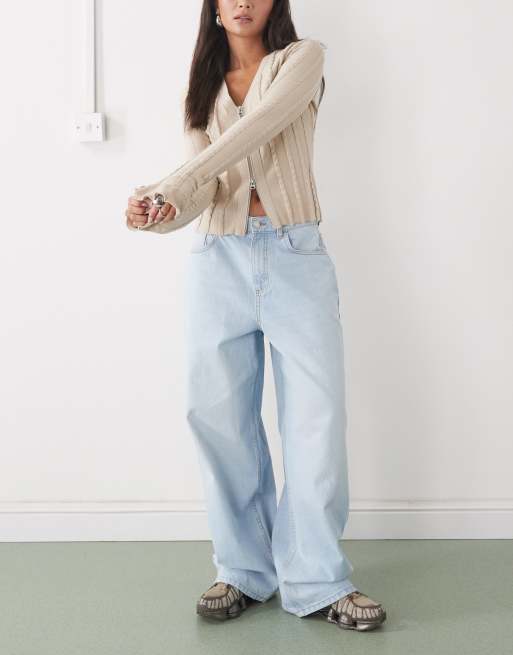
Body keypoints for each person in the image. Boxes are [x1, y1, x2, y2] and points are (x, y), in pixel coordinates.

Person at [125, 0, 387, 632]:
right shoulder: (200, 88)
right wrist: (159, 214)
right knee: (218, 421)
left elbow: (258, 128)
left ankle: (318, 581)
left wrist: (170, 182)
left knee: (316, 422)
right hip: (218, 260)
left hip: (297, 255)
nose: (243, 1)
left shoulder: (303, 59)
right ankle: (243, 571)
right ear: (214, 9)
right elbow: (204, 192)